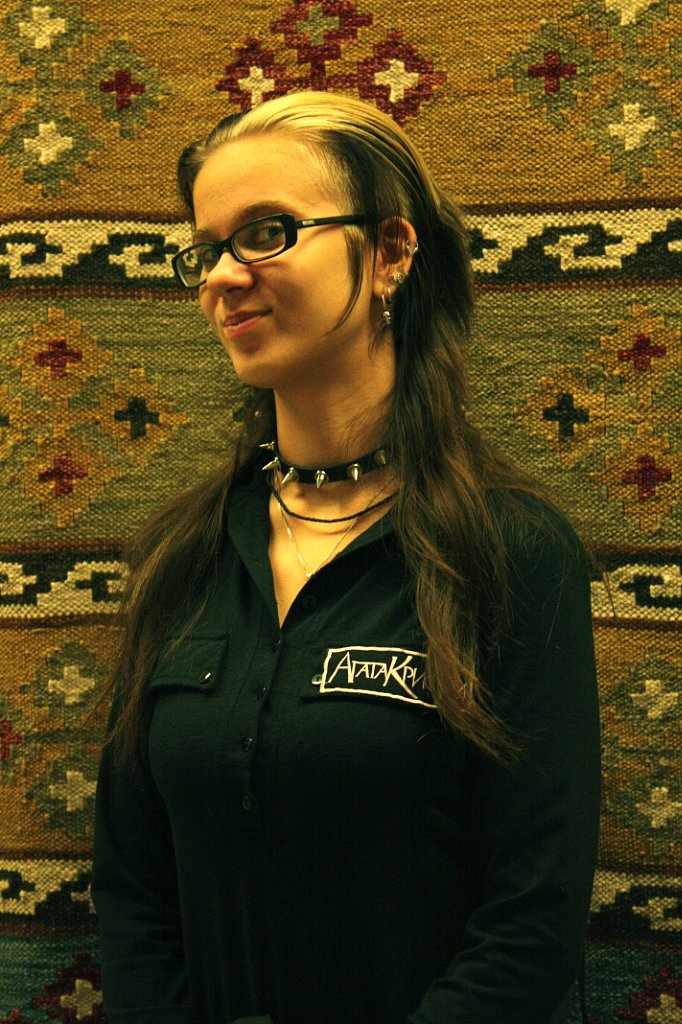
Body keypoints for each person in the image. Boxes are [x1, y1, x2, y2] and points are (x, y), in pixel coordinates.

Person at [90, 91, 601, 1024]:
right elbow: (131, 890)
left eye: (267, 233)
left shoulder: (511, 552)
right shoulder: (179, 556)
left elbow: (533, 916)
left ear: (391, 252)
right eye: (207, 249)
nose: (222, 277)